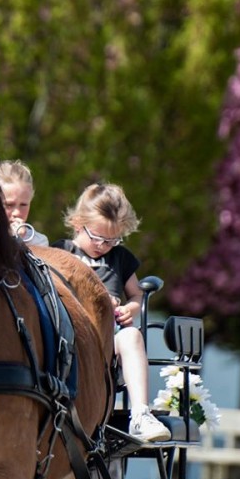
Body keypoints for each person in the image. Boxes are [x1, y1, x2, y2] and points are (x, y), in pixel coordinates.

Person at [54, 183, 171, 442]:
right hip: (70, 335)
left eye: (112, 240)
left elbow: (137, 294)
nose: (103, 245)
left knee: (132, 337)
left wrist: (130, 309)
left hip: (108, 341)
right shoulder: (62, 252)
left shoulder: (119, 258)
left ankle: (141, 414)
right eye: (97, 237)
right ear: (77, 223)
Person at [0, 159, 49, 246]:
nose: (17, 213)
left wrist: (19, 241)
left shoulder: (38, 241)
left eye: (23, 205)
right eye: (9, 205)